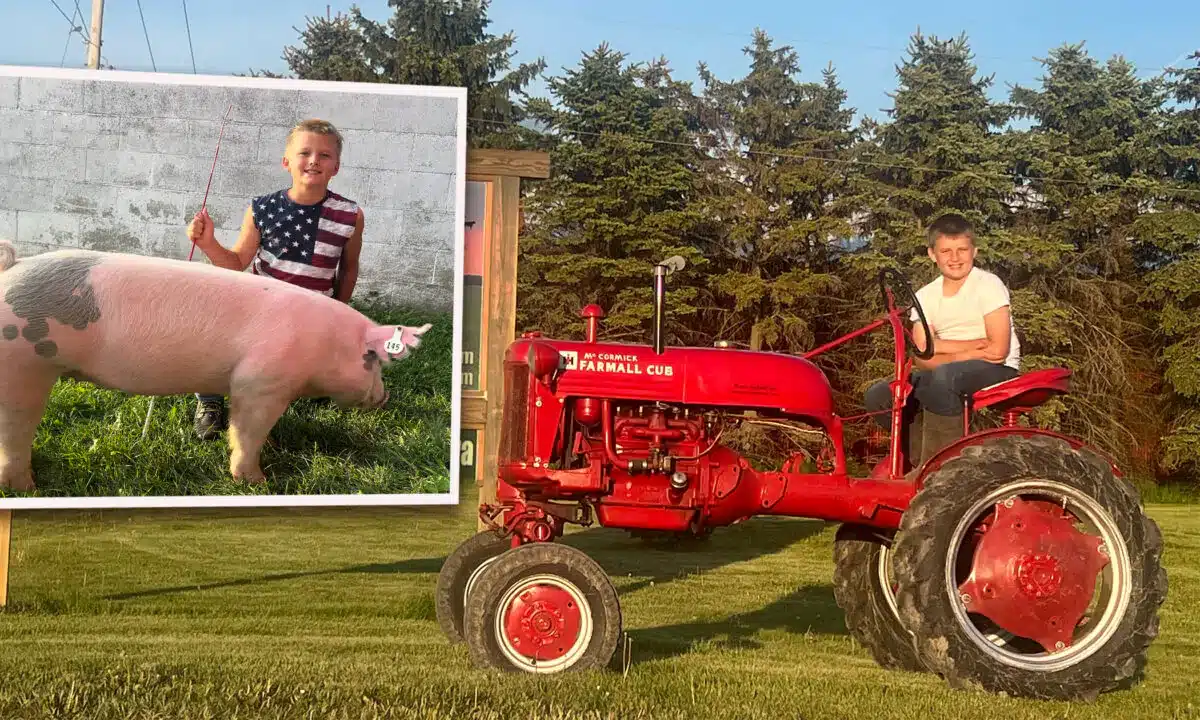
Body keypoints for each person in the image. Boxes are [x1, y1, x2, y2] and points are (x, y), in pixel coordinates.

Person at [184, 118, 365, 440]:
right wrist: (208, 243)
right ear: (286, 162)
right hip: (258, 310)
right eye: (304, 152)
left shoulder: (350, 215)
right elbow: (236, 262)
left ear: (336, 167)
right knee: (214, 342)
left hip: (309, 316)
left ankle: (308, 381)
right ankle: (210, 401)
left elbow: (348, 268)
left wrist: (339, 312)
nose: (313, 160)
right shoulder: (261, 208)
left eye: (324, 155)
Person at [863, 213, 1021, 472]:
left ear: (974, 251)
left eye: (962, 250)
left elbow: (997, 351)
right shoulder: (926, 296)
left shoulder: (988, 285)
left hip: (998, 370)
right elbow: (922, 356)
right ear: (932, 254)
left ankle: (943, 471)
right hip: (949, 369)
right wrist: (970, 347)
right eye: (946, 251)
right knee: (881, 395)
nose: (955, 258)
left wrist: (941, 348)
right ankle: (919, 463)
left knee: (943, 379)